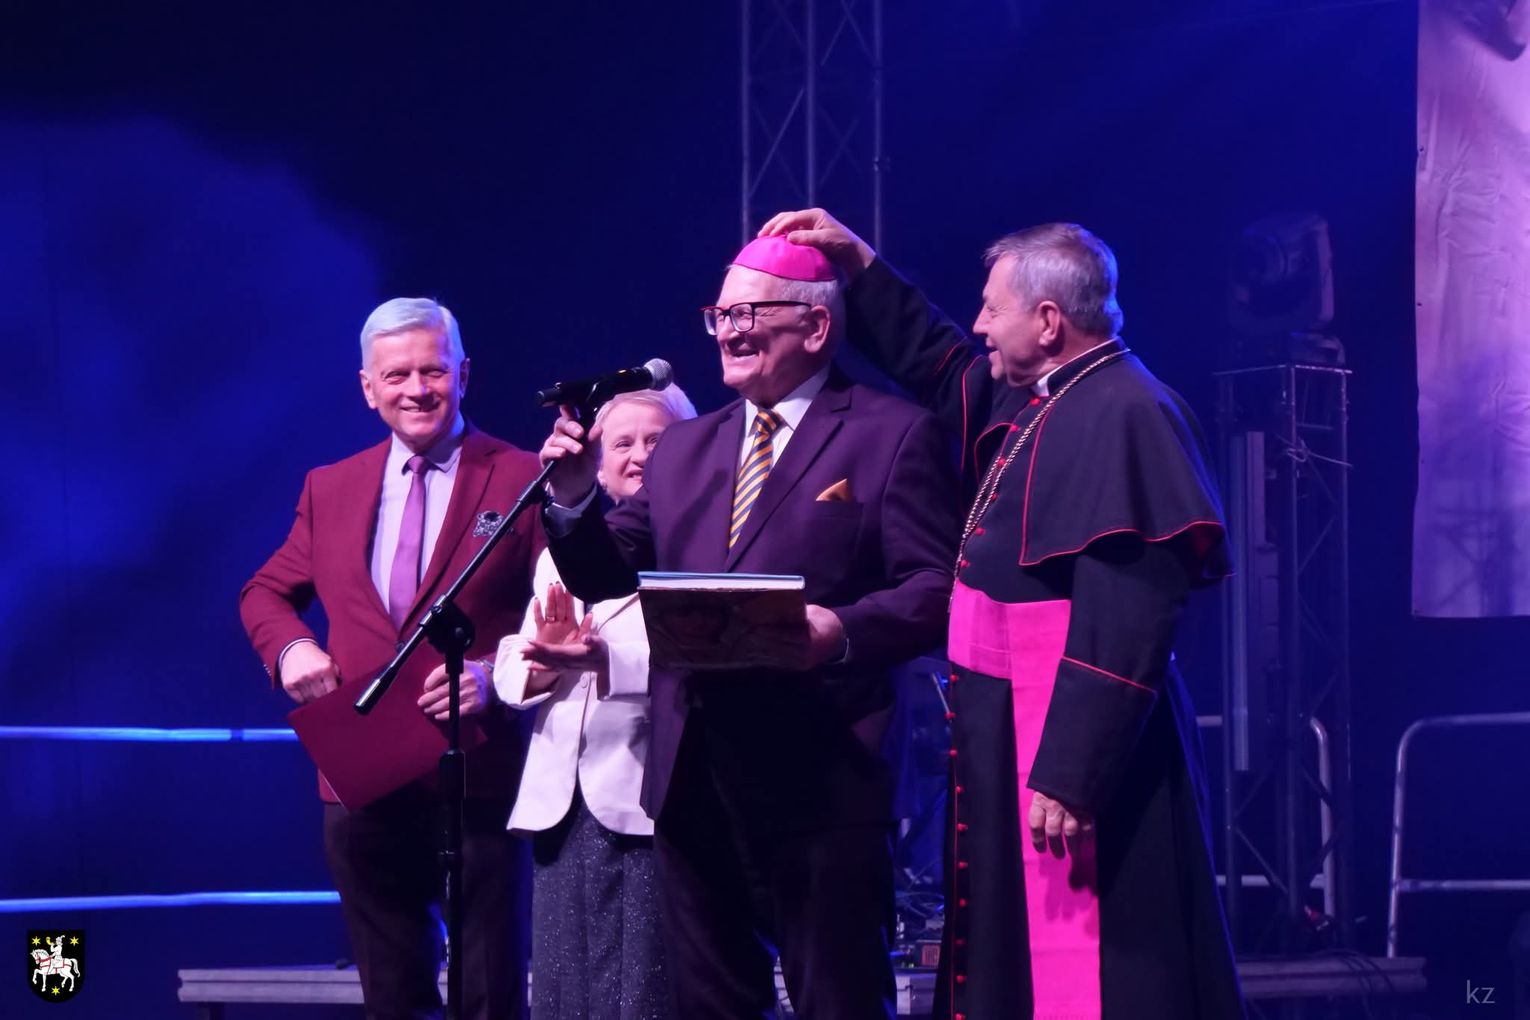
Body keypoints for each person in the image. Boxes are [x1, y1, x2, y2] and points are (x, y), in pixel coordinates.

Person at [760, 210, 1245, 1019]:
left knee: (1104, 963)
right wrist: (859, 262)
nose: (979, 325)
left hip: (1066, 739)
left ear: (1048, 322)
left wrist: (1071, 771)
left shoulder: (1128, 410)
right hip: (1013, 723)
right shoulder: (1042, 399)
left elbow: (1127, 615)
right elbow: (937, 360)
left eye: (992, 308)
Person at [537, 235, 960, 1019]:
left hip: (822, 770)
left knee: (838, 1000)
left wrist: (840, 630)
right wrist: (570, 500)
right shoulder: (685, 446)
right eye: (719, 315)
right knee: (711, 1005)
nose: (727, 331)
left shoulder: (892, 432)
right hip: (695, 770)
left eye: (747, 313)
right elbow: (606, 572)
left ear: (817, 326)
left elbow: (936, 588)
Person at [239, 297, 542, 1020]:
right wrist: (292, 647)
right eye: (396, 375)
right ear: (368, 388)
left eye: (432, 371)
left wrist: (494, 677)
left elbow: (566, 609)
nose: (416, 389)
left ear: (463, 374)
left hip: (477, 772)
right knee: (391, 995)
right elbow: (265, 593)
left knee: (490, 993)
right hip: (362, 779)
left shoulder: (524, 476)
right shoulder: (330, 486)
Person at [492, 384, 697, 1020]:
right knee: (564, 992)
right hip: (563, 806)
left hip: (645, 801)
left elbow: (703, 655)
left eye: (656, 441)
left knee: (640, 991)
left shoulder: (699, 548)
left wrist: (606, 659)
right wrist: (541, 662)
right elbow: (512, 660)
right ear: (598, 468)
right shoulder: (563, 556)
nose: (638, 455)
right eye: (622, 443)